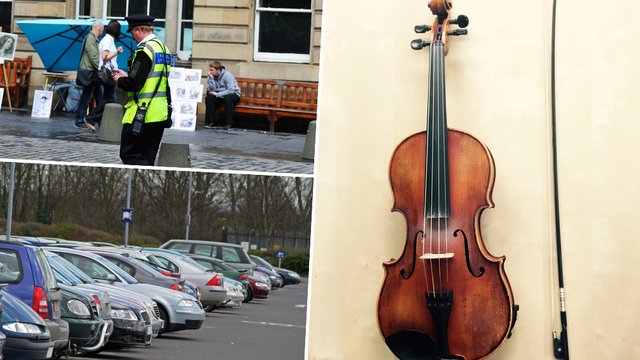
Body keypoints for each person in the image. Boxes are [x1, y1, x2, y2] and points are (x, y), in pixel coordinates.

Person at [112, 14, 171, 166]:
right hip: (159, 112)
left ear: (139, 29)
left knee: (130, 153)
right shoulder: (162, 48)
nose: (132, 36)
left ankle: (137, 188)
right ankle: (146, 188)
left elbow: (134, 83)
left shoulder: (145, 50)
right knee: (147, 156)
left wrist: (120, 79)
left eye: (132, 32)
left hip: (143, 112)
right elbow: (154, 77)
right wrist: (129, 75)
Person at [84, 20, 124, 130]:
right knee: (110, 98)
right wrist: (117, 52)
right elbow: (105, 57)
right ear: (116, 31)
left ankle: (99, 122)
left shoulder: (108, 40)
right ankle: (91, 118)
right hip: (107, 74)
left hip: (108, 73)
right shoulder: (107, 41)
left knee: (108, 98)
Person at [75, 20, 104, 130]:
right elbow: (94, 57)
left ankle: (98, 120)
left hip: (94, 74)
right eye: (102, 29)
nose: (102, 31)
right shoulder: (90, 39)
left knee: (99, 97)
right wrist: (102, 68)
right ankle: (79, 120)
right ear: (99, 29)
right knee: (86, 97)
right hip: (90, 73)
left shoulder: (93, 39)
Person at [204, 61, 240, 129]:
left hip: (233, 95)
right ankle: (212, 121)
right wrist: (211, 79)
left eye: (212, 70)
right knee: (209, 98)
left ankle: (229, 123)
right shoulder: (211, 76)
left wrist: (218, 94)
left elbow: (231, 90)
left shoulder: (227, 75)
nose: (209, 71)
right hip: (220, 95)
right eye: (210, 69)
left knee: (227, 98)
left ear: (218, 70)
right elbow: (210, 90)